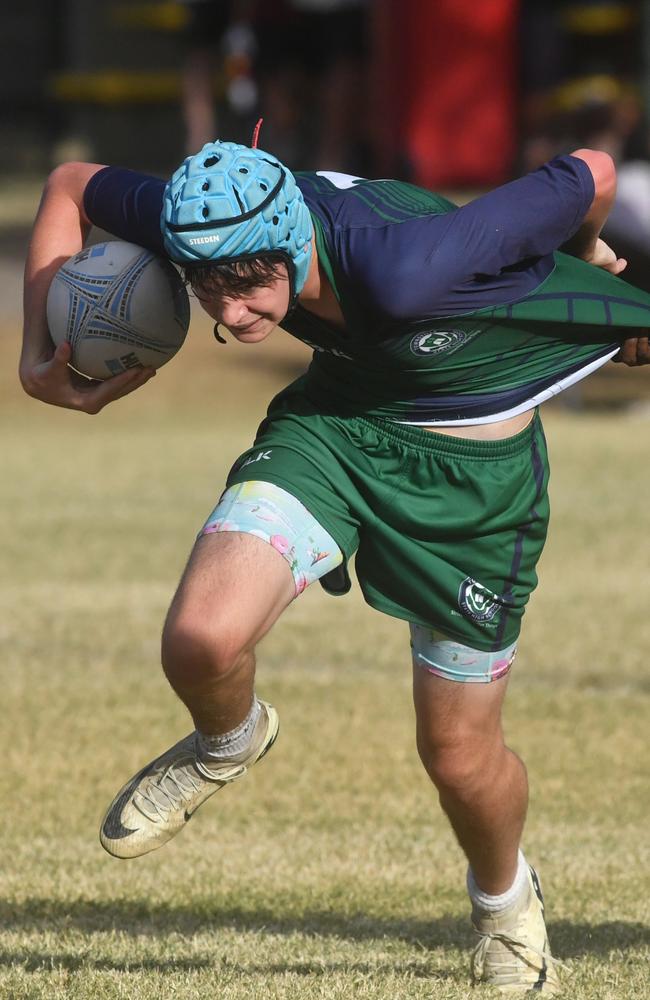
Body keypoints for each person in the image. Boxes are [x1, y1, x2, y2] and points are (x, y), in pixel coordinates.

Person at [20, 136, 650, 995]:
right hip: (336, 429)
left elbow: (595, 171)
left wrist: (580, 257)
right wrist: (35, 356)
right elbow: (68, 186)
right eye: (207, 284)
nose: (230, 312)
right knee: (200, 640)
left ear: (290, 236)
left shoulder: (407, 266)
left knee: (458, 755)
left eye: (245, 282)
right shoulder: (213, 216)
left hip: (475, 484)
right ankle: (225, 742)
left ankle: (505, 904)